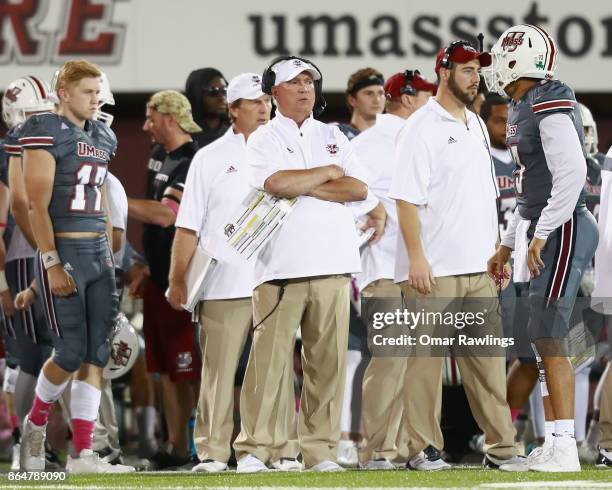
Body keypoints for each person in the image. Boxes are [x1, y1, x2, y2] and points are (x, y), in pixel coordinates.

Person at [232, 56, 368, 473]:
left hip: (333, 266)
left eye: (309, 80)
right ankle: (255, 449)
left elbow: (359, 188)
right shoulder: (263, 138)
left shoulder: (333, 134)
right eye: (295, 82)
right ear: (275, 93)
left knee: (326, 367)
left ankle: (320, 452)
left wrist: (306, 183)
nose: (306, 88)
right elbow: (276, 183)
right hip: (280, 269)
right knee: (268, 366)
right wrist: (327, 173)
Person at [390, 41, 521, 470]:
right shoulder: (421, 126)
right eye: (466, 70)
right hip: (435, 269)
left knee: (487, 368)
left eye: (477, 70)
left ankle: (503, 450)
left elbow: (480, 198)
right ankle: (422, 449)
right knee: (424, 367)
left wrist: (495, 254)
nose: (475, 77)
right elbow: (406, 200)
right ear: (443, 72)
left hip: (478, 268)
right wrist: (416, 258)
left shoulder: (477, 125)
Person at [168, 72, 300, 473]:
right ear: (233, 110)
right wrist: (177, 279)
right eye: (253, 102)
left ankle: (279, 450)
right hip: (223, 282)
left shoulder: (287, 150)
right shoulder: (208, 158)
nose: (264, 108)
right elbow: (188, 225)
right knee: (218, 374)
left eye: (266, 101)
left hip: (275, 279)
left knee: (274, 374)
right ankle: (212, 452)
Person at [485, 24, 599, 472]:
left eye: (500, 57)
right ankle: (554, 441)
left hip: (565, 223)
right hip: (546, 223)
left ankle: (566, 446)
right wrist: (507, 243)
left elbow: (571, 174)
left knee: (551, 335)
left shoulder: (549, 97)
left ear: (518, 58)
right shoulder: (521, 103)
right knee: (540, 338)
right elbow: (532, 189)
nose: (494, 66)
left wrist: (541, 233)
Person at [18, 60, 133, 473]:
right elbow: (35, 204)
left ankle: (83, 453)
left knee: (97, 354)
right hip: (63, 249)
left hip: (98, 253)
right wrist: (49, 263)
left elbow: (99, 199)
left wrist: (109, 257)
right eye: (88, 91)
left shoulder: (104, 135)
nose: (96, 98)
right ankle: (34, 426)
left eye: (98, 91)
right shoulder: (45, 132)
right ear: (64, 94)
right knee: (68, 352)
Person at [352, 70, 439, 470]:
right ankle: (378, 450)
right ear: (405, 98)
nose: (432, 102)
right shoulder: (369, 143)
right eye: (425, 95)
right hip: (385, 266)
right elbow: (349, 195)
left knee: (420, 359)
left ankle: (414, 448)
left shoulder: (423, 139)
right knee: (390, 355)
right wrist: (369, 219)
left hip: (420, 267)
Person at [127, 90, 201, 469]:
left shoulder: (192, 160)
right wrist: (142, 262)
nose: (145, 126)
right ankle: (176, 447)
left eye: (150, 117)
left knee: (189, 368)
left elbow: (165, 215)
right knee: (167, 369)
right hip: (158, 277)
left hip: (183, 278)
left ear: (169, 119)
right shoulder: (159, 155)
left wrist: (110, 198)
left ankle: (200, 445)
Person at [333, 68, 385, 140]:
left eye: (381, 93)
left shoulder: (392, 138)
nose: (377, 100)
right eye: (369, 93)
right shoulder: (336, 135)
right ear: (352, 100)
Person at [184, 68, 230, 148]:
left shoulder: (236, 135)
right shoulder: (181, 138)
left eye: (224, 91)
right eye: (213, 92)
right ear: (196, 94)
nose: (222, 98)